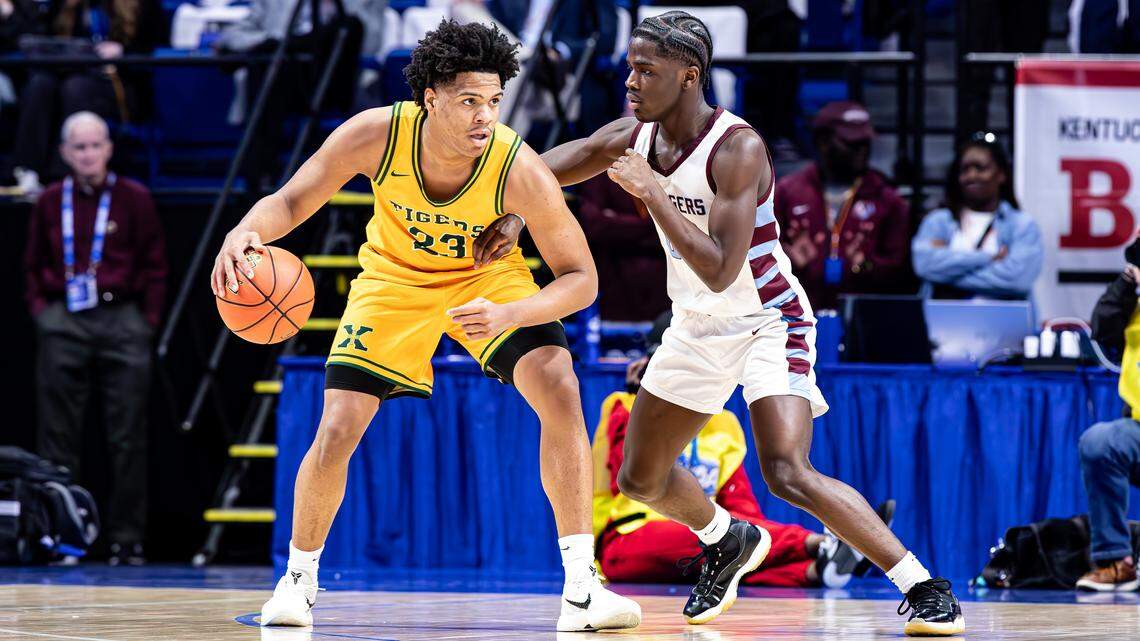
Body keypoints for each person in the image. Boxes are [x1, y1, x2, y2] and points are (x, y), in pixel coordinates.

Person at [477, 10, 964, 635]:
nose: (630, 80)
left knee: (786, 470)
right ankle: (728, 539)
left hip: (768, 318)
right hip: (695, 324)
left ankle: (923, 586)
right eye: (629, 66)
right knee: (639, 477)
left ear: (689, 75)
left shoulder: (738, 148)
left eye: (644, 70)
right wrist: (517, 211)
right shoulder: (639, 134)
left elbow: (719, 266)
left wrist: (652, 192)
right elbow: (568, 160)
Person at [209, 20, 641, 632]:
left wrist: (511, 313)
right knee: (337, 424)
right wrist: (245, 230)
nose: (484, 116)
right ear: (431, 97)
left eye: (493, 101)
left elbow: (581, 280)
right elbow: (291, 201)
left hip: (487, 282)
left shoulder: (517, 167)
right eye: (469, 101)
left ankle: (581, 587)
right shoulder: (375, 135)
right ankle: (297, 582)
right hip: (393, 281)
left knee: (562, 389)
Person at [593, 314, 895, 589]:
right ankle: (822, 543)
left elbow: (742, 507)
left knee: (737, 552)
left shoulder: (724, 422)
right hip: (631, 538)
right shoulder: (623, 405)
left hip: (706, 536)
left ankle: (816, 570)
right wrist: (639, 397)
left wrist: (755, 535)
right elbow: (628, 477)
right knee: (726, 539)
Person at [24, 111, 166, 566]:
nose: (87, 155)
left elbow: (156, 266)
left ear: (108, 148)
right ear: (65, 153)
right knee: (58, 435)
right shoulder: (49, 200)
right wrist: (44, 315)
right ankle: (63, 537)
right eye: (78, 147)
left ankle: (127, 539)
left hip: (121, 319)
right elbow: (31, 265)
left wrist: (146, 322)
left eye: (95, 146)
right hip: (64, 319)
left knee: (127, 436)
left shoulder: (135, 198)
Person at [5, 0, 158, 195]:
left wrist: (122, 51)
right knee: (39, 84)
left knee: (75, 88)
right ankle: (26, 171)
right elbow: (38, 36)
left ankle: (62, 177)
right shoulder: (63, 4)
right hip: (67, 75)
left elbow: (154, 47)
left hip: (117, 84)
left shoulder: (142, 5)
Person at [774, 100, 912, 311]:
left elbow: (900, 270)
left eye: (866, 143)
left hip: (864, 316)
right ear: (823, 141)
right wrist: (788, 260)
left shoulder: (887, 198)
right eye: (852, 143)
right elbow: (763, 253)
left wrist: (864, 265)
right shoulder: (787, 191)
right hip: (797, 314)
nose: (862, 150)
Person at [1076, 239, 1140, 592]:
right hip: (1138, 429)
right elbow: (1102, 327)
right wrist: (1128, 280)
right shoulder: (1132, 301)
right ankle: (1117, 561)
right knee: (1100, 440)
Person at [912, 133, 1042, 301]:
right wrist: (989, 258)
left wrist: (946, 276)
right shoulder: (937, 222)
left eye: (980, 168)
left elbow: (1017, 280)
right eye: (964, 170)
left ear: (1001, 174)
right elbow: (925, 265)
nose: (971, 176)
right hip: (943, 322)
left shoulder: (1022, 225)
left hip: (1005, 323)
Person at [578, 171, 670, 322]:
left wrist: (617, 221)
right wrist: (657, 224)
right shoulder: (600, 171)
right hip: (615, 285)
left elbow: (686, 225)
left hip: (663, 286)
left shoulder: (666, 168)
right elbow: (595, 224)